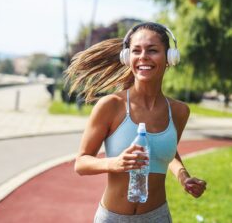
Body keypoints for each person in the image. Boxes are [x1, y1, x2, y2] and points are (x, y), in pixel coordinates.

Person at [65, 22, 207, 223]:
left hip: (157, 217)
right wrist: (115, 163)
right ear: (127, 57)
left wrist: (183, 176)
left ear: (169, 58)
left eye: (152, 50)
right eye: (136, 51)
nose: (143, 57)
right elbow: (81, 163)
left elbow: (167, 152)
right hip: (113, 218)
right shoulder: (111, 105)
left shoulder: (179, 111)